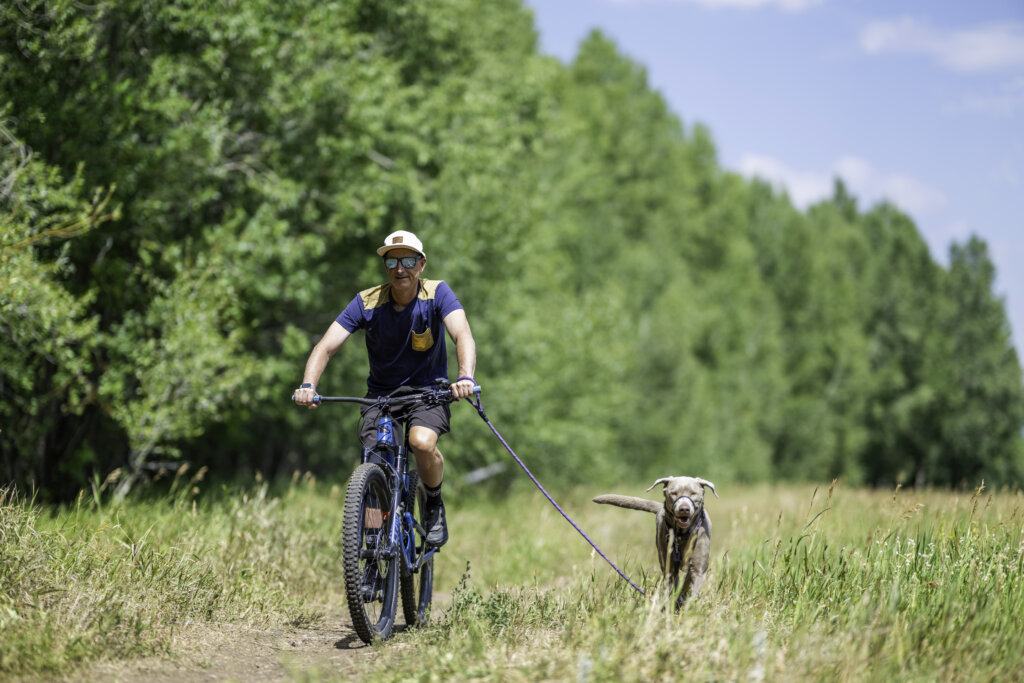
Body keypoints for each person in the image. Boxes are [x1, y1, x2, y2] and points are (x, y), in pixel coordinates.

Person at [293, 230, 476, 547]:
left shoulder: (437, 293)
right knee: (374, 462)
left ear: (421, 264)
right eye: (392, 261)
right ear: (385, 265)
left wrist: (465, 377)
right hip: (381, 398)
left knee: (420, 442)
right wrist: (309, 384)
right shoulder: (367, 301)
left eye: (407, 260)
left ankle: (432, 503)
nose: (400, 268)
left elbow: (463, 334)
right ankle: (374, 537)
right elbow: (326, 347)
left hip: (428, 393)